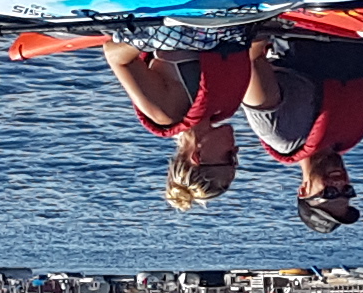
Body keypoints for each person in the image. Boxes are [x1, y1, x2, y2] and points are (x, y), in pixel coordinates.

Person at [241, 30, 363, 230]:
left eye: (330, 193)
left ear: (304, 189)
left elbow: (251, 60)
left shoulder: (280, 133)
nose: (340, 184)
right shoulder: (349, 136)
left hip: (306, 27)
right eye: (347, 191)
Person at [102, 33, 251, 209]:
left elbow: (114, 56)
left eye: (230, 158)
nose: (236, 150)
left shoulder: (166, 112)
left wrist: (162, 34)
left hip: (177, 17)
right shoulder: (224, 106)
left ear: (197, 157)